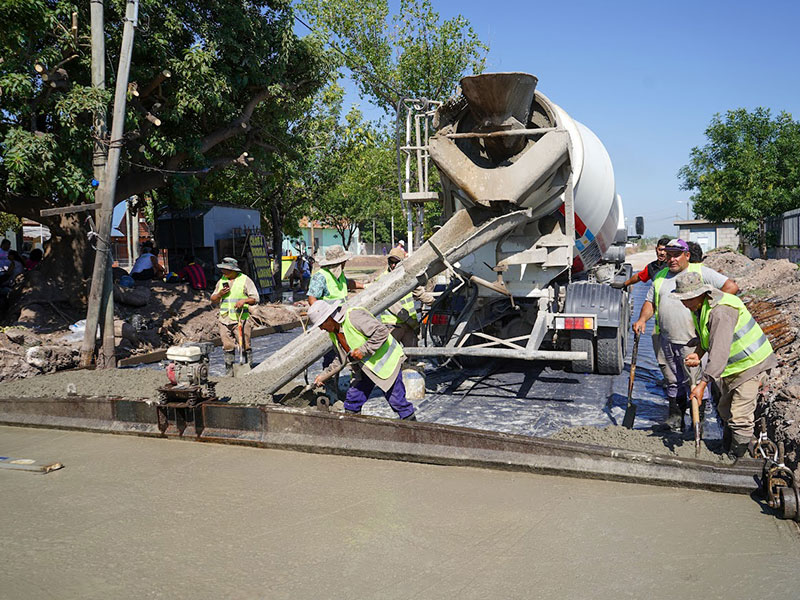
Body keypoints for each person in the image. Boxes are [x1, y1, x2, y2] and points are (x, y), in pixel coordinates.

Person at [632, 238, 738, 430]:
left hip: (693, 340)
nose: (671, 259)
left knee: (695, 381)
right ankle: (675, 417)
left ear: (687, 255)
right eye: (669, 255)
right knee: (672, 379)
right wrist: (641, 320)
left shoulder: (699, 272)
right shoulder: (661, 276)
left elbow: (731, 287)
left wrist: (714, 311)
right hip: (665, 338)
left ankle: (699, 421)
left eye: (676, 255)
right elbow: (651, 302)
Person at [673, 270, 777, 458]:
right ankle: (730, 447)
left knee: (739, 416)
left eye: (687, 299)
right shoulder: (701, 308)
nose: (684, 303)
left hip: (752, 364)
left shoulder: (721, 312)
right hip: (734, 367)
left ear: (699, 294)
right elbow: (708, 339)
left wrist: (702, 385)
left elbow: (719, 354)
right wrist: (698, 353)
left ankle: (737, 459)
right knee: (724, 409)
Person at [308, 300, 416, 420]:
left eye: (321, 325)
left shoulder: (354, 317)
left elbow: (382, 331)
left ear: (329, 318)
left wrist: (363, 350)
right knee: (352, 401)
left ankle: (414, 430)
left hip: (387, 364)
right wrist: (324, 376)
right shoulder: (334, 332)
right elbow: (340, 358)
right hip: (365, 367)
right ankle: (354, 431)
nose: (321, 329)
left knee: (397, 401)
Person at [210, 257, 260, 375]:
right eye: (223, 270)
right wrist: (220, 294)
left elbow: (255, 298)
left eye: (227, 270)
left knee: (245, 344)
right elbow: (213, 299)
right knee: (227, 345)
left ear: (234, 270)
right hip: (224, 319)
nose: (224, 272)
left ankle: (247, 368)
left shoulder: (245, 280)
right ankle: (229, 371)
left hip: (240, 319)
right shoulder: (221, 281)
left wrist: (244, 301)